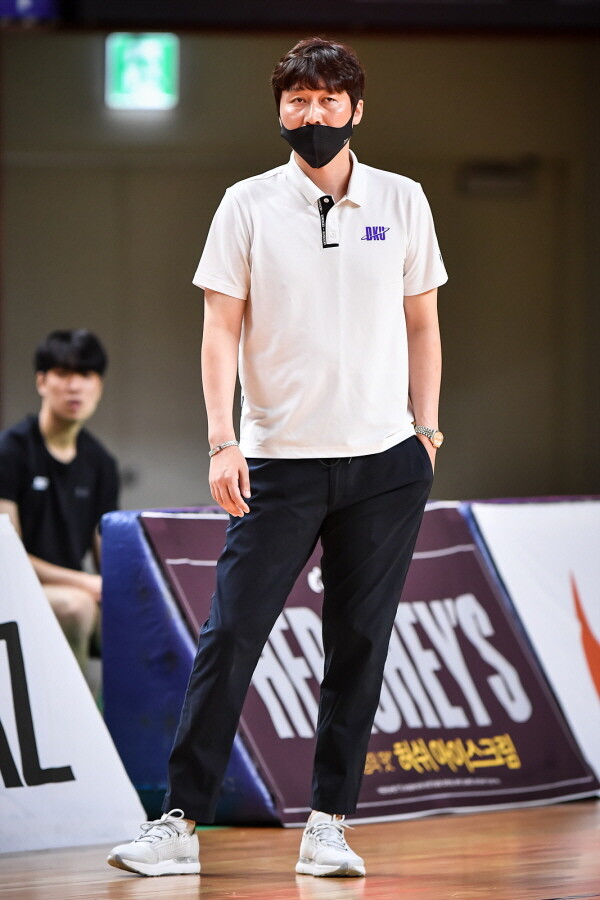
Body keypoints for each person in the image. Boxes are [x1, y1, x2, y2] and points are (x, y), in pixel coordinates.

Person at [108, 37, 447, 879]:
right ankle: (178, 823)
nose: (313, 113)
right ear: (280, 111)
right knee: (231, 635)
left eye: (329, 99)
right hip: (276, 464)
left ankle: (329, 825)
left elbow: (423, 324)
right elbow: (219, 328)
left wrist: (428, 431)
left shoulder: (402, 200)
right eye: (298, 99)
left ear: (356, 109)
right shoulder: (246, 205)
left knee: (359, 645)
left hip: (386, 464)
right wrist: (221, 438)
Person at [0, 329, 119, 676]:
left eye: (85, 375)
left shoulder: (101, 464)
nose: (74, 386)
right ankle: (73, 713)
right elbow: (9, 559)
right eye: (63, 373)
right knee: (76, 607)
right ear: (42, 381)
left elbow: (107, 557)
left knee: (142, 617)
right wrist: (86, 583)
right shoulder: (11, 452)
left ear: (98, 386)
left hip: (72, 586)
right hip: (13, 588)